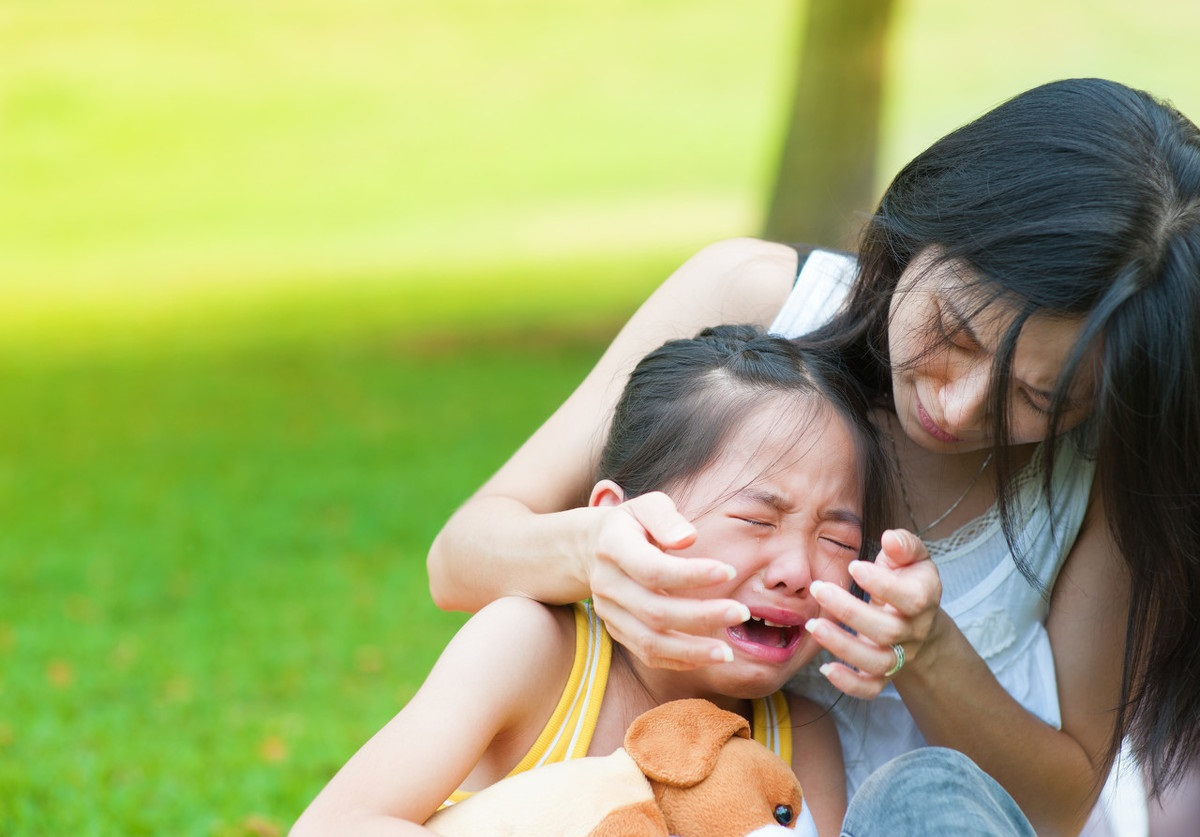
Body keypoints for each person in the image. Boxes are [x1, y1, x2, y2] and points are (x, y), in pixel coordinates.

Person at [427, 77, 1200, 835]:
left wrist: (927, 654)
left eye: (1037, 399)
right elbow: (460, 557)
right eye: (955, 332)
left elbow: (1057, 807)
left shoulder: (1107, 473)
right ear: (924, 224)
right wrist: (596, 552)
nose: (956, 406)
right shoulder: (755, 302)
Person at [293, 325, 901, 837]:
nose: (796, 572)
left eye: (837, 540)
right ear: (622, 519)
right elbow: (332, 827)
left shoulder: (797, 740)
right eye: (755, 519)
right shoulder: (531, 652)